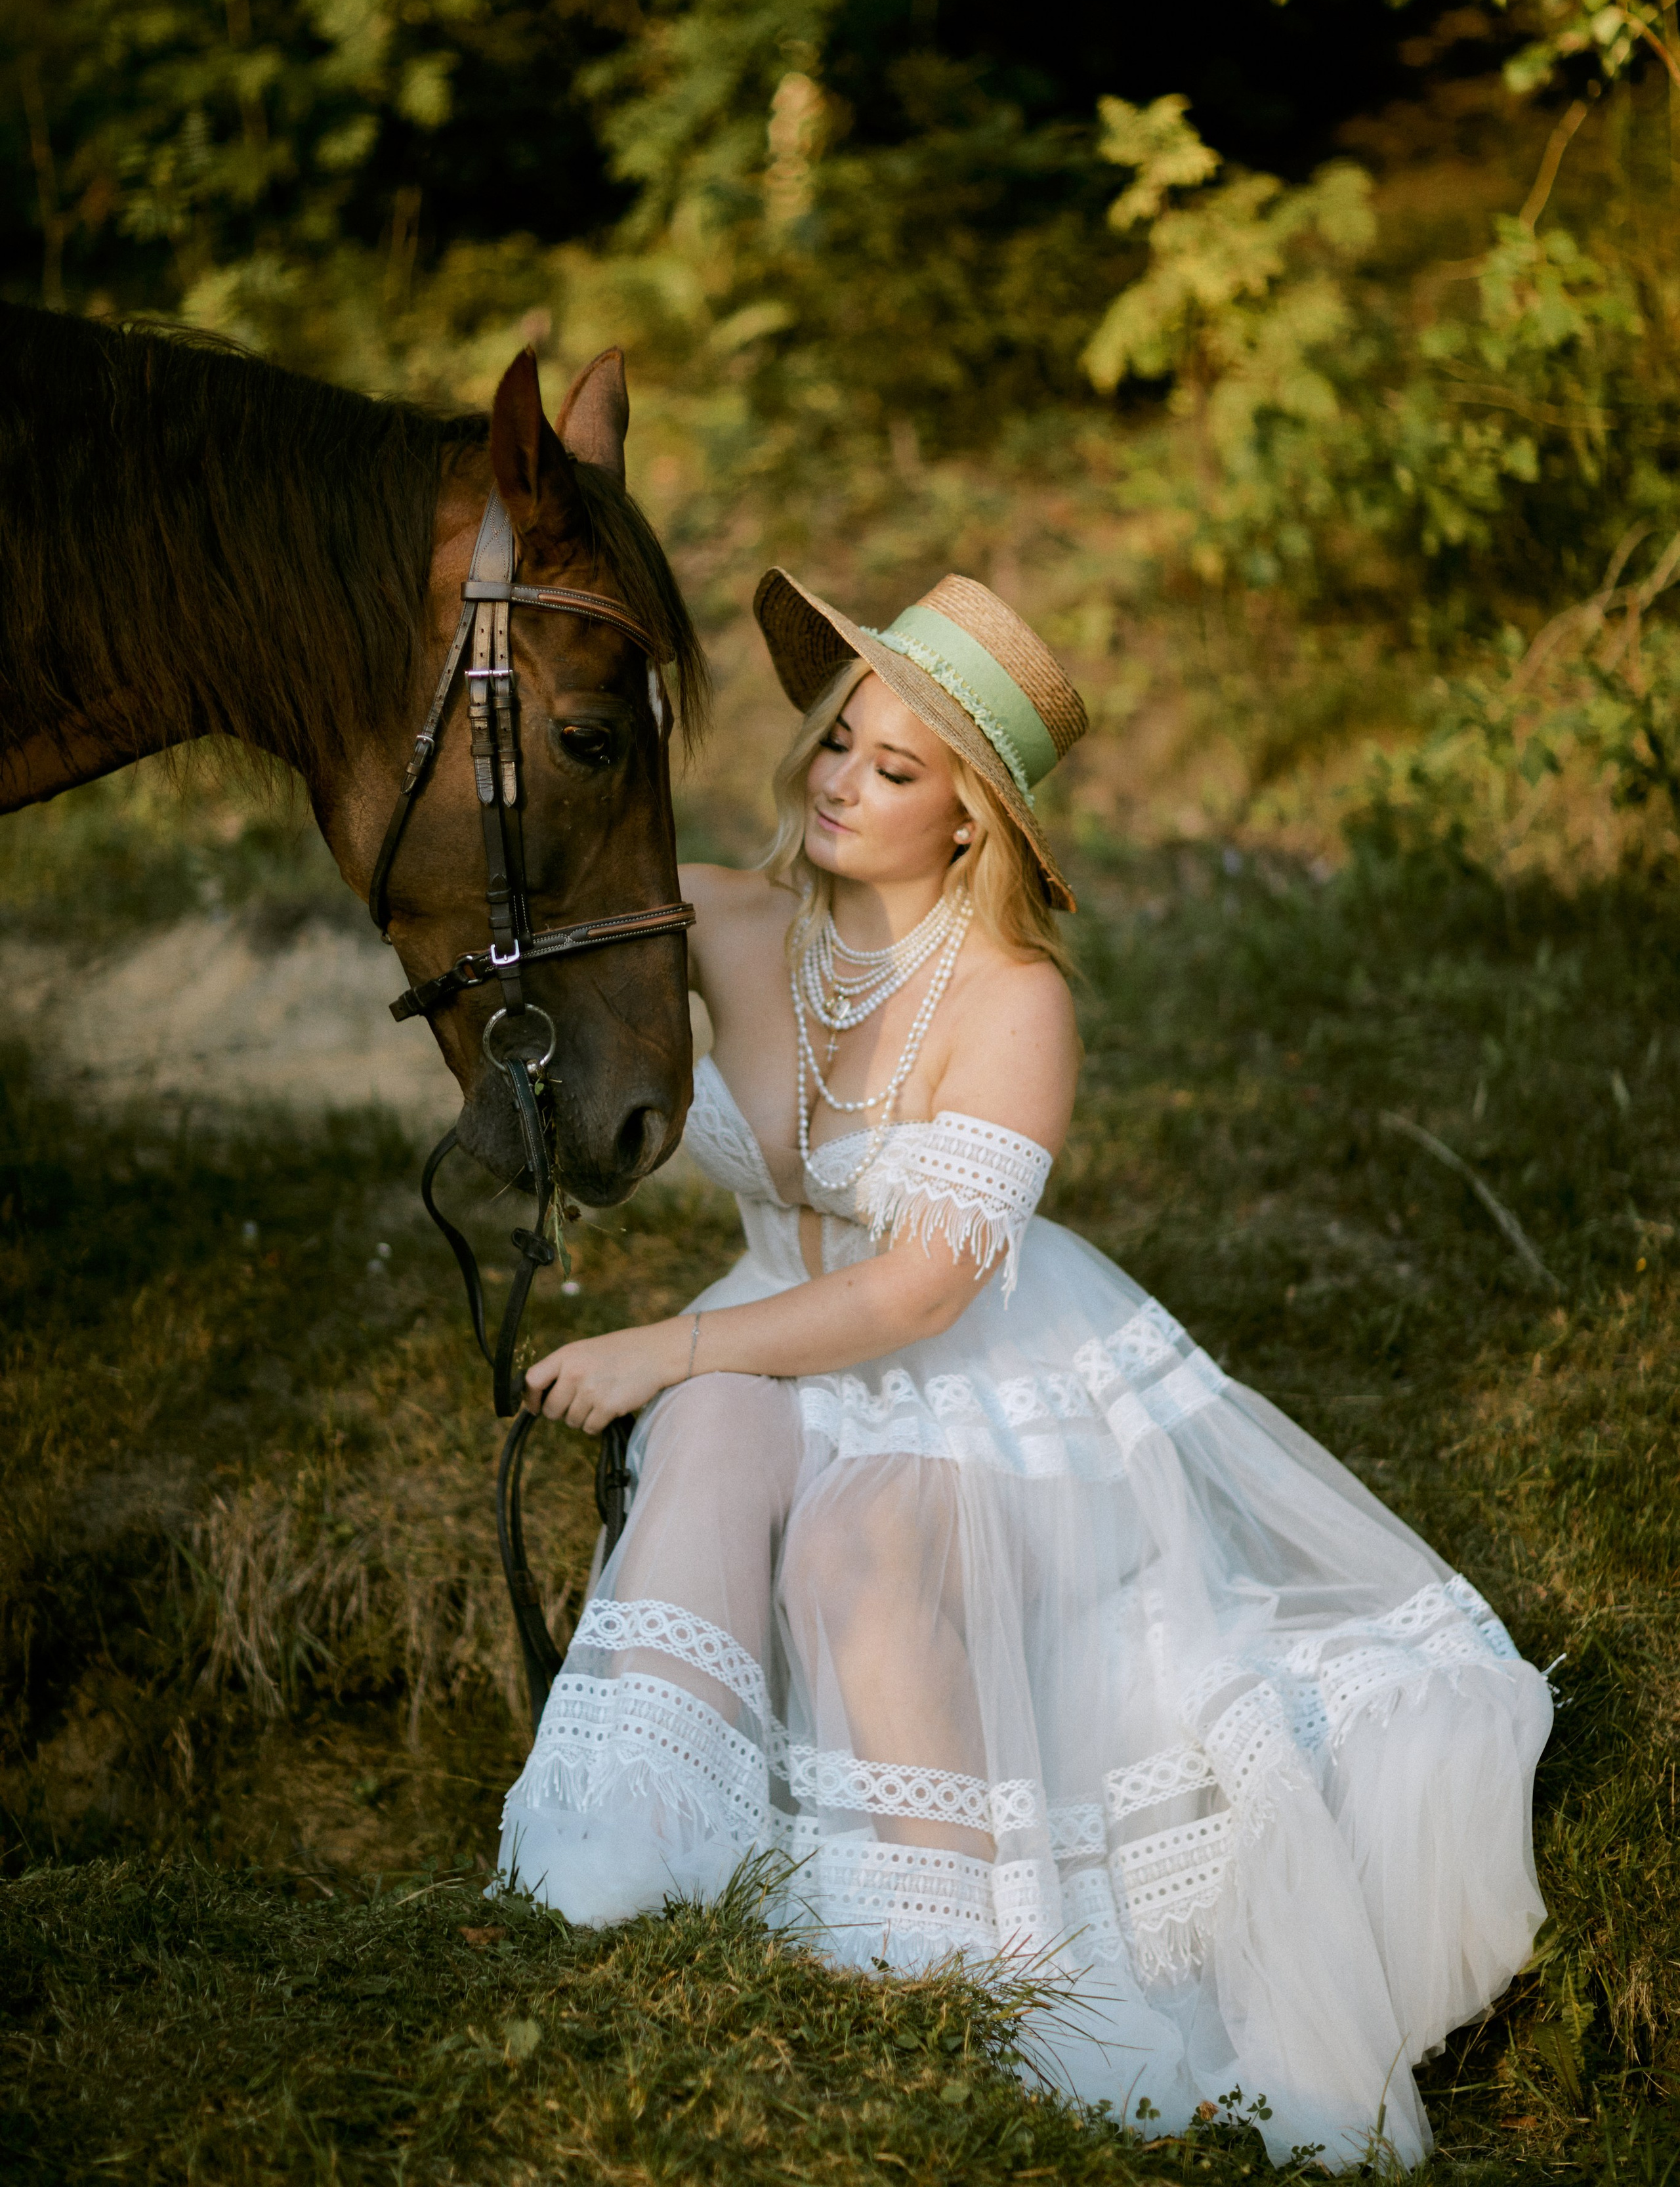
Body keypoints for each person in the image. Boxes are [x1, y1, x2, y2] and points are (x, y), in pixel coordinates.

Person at [497, 568, 1551, 2166]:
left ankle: (964, 1976)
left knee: (851, 1533)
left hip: (978, 1375)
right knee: (707, 1434)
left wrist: (664, 1341)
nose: (842, 782)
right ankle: (625, 1866)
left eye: (896, 770)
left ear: (970, 822)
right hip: (778, 1337)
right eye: (838, 744)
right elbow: (513, 895)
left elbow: (920, 1293)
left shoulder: (1011, 1001)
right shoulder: (722, 918)